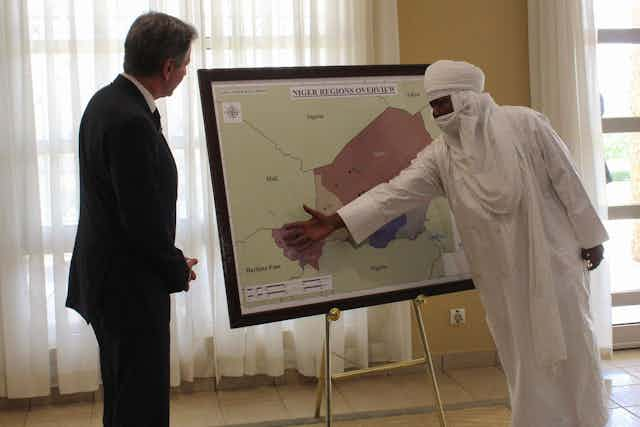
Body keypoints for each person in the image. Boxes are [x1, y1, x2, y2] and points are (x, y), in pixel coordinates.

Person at [283, 60, 609, 427]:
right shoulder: (443, 155)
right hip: (503, 279)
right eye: (433, 105)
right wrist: (336, 222)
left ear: (467, 98)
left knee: (575, 350)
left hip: (554, 261)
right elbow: (394, 194)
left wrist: (591, 238)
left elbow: (568, 179)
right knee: (522, 358)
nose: (436, 113)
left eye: (442, 103)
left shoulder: (526, 124)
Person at [66, 12, 198, 427]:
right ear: (168, 67)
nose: (186, 71)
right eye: (186, 63)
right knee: (140, 402)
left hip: (112, 281)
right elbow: (140, 220)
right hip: (129, 289)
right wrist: (174, 266)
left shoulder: (106, 101)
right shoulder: (130, 121)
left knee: (125, 396)